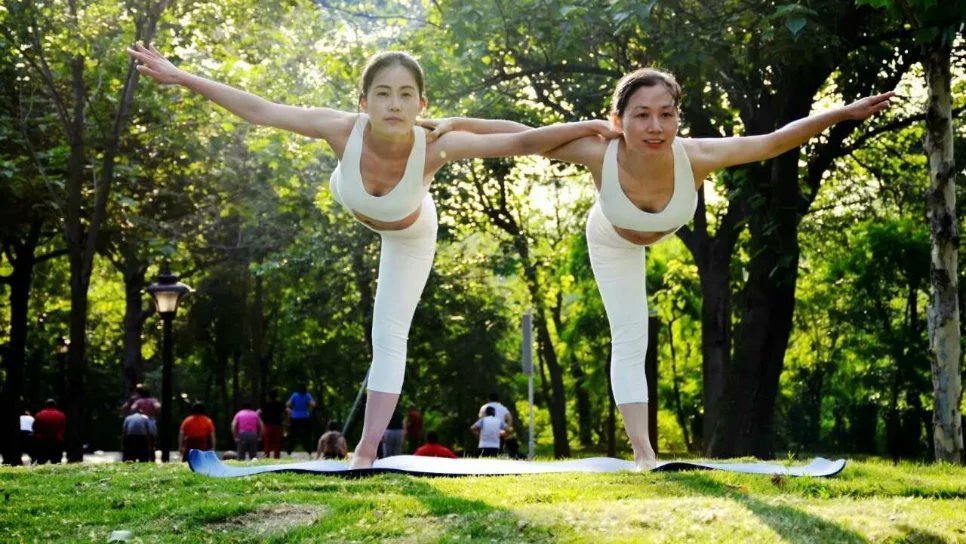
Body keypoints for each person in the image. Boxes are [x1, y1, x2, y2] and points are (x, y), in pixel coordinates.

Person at [128, 44, 616, 469]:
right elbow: (261, 109)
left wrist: (593, 131)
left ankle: (364, 451)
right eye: (382, 93)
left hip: (410, 233)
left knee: (388, 337)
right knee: (383, 334)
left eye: (406, 94)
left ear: (422, 103)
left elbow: (523, 140)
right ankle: (362, 449)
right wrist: (182, 76)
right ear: (363, 102)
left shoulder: (436, 146)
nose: (394, 103)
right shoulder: (340, 129)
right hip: (356, 198)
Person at [428, 68, 894, 469]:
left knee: (642, 338)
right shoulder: (597, 152)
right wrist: (454, 125)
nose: (656, 126)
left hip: (656, 229)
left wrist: (841, 112)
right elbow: (520, 135)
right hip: (611, 238)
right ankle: (644, 454)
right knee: (631, 338)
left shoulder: (696, 156)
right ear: (619, 120)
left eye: (666, 114)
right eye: (642, 114)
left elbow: (771, 143)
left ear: (677, 117)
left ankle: (645, 453)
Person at [32, 398, 66, 465]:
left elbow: (35, 427)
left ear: (45, 405)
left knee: (41, 461)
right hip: (56, 440)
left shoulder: (39, 414)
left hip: (43, 440)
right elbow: (63, 428)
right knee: (56, 462)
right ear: (55, 405)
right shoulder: (61, 415)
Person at [286, 383, 317, 456]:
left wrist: (290, 411)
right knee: (306, 435)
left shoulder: (295, 395)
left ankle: (289, 451)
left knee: (293, 435)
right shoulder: (307, 395)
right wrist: (309, 408)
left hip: (295, 417)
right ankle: (309, 451)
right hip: (305, 417)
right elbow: (313, 404)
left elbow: (287, 404)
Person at [259, 389, 287, 459]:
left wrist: (261, 421)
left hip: (267, 425)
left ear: (269, 396)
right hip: (277, 425)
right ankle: (276, 457)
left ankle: (266, 456)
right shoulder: (280, 404)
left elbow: (258, 412)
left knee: (267, 442)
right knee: (277, 442)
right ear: (277, 396)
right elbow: (289, 411)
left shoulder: (265, 404)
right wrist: (286, 420)